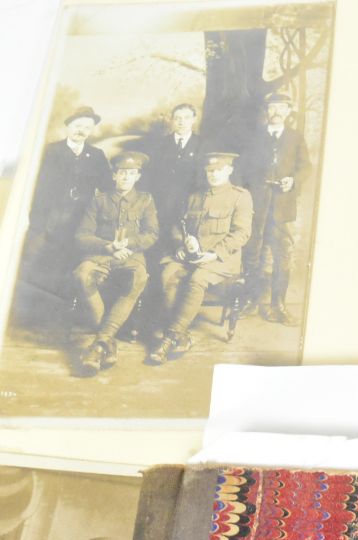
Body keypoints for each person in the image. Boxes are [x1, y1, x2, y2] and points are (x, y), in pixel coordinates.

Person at [147, 152, 252, 365]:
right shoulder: (195, 196)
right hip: (191, 256)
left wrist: (215, 253)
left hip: (221, 259)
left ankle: (169, 338)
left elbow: (242, 233)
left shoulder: (240, 196)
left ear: (229, 170)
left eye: (219, 170)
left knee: (197, 280)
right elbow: (179, 226)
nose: (213, 174)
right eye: (209, 170)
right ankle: (183, 335)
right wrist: (181, 245)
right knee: (167, 275)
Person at [73, 151, 158, 377]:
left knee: (139, 277)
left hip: (131, 256)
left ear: (138, 176)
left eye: (131, 173)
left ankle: (99, 344)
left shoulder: (146, 200)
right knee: (82, 275)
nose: (126, 177)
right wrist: (108, 247)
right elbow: (82, 235)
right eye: (122, 173)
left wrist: (130, 244)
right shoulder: (99, 200)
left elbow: (152, 234)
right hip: (101, 255)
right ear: (114, 176)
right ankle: (107, 341)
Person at [235, 92, 311, 325]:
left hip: (281, 205)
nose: (276, 112)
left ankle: (278, 305)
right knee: (252, 253)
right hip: (256, 204)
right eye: (272, 107)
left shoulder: (295, 138)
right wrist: (242, 197)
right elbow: (240, 169)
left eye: (281, 107)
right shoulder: (253, 137)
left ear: (288, 111)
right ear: (266, 111)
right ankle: (251, 300)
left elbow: (305, 167)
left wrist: (293, 180)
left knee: (282, 255)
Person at [23, 106, 112, 294]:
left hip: (80, 218)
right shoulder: (50, 151)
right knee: (39, 258)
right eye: (78, 126)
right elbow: (35, 185)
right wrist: (36, 220)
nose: (81, 131)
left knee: (70, 259)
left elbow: (107, 188)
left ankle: (60, 299)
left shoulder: (96, 155)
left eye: (87, 128)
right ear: (69, 126)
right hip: (49, 216)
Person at [145, 103, 205, 240]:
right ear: (172, 120)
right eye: (177, 118)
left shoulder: (202, 144)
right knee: (162, 241)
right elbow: (151, 176)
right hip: (163, 204)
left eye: (186, 118)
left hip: (191, 205)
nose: (181, 122)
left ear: (194, 119)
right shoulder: (160, 144)